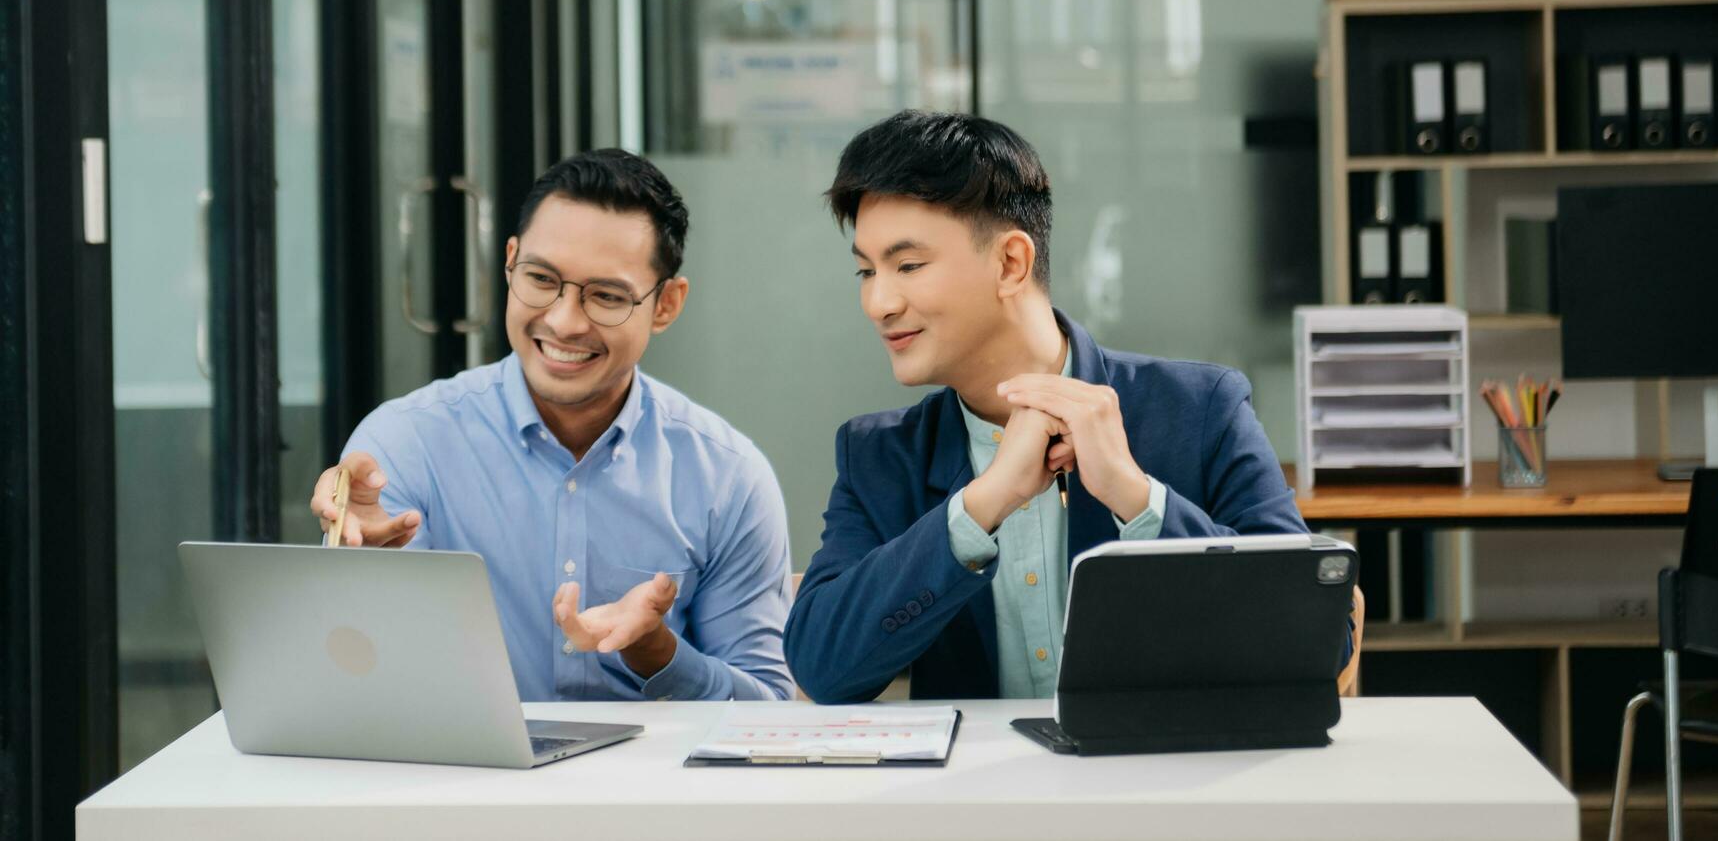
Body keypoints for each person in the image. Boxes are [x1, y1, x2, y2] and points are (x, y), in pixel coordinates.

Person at [784, 111, 1343, 704]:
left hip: (1165, 784)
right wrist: (981, 506)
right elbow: (822, 668)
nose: (879, 302)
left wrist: (1135, 497)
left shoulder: (1202, 410)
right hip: (973, 795)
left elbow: (1320, 638)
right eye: (866, 271)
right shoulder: (880, 456)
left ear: (1010, 263)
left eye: (908, 266)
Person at [309, 149, 792, 702]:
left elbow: (767, 712)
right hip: (460, 783)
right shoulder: (403, 444)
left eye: (606, 296)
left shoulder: (726, 477)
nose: (563, 321)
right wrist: (362, 574)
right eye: (541, 279)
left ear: (665, 305)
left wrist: (657, 653)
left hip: (651, 789)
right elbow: (360, 687)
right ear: (510, 262)